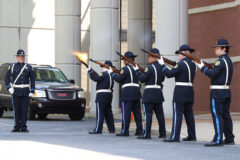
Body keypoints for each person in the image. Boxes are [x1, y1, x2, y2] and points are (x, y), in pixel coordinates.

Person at [196, 39, 235, 147]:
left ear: (224, 49)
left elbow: (213, 74)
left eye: (217, 48)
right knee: (226, 115)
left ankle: (218, 139)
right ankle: (229, 138)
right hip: (226, 91)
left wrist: (202, 67)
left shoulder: (220, 61)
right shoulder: (229, 61)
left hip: (217, 92)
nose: (215, 50)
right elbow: (218, 72)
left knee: (217, 115)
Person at [158, 44, 197, 142]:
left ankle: (175, 136)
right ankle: (192, 136)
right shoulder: (193, 64)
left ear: (183, 53)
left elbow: (169, 74)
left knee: (178, 114)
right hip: (190, 91)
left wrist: (162, 64)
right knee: (189, 114)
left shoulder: (181, 64)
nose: (178, 56)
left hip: (180, 91)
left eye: (179, 54)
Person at [108, 51, 143, 136]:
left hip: (127, 93)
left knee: (126, 113)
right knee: (137, 113)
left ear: (127, 60)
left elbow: (119, 79)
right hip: (136, 92)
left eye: (124, 60)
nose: (124, 61)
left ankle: (125, 131)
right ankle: (140, 130)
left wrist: (112, 73)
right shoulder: (137, 68)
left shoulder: (125, 69)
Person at [134, 48, 166, 139]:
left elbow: (142, 79)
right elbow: (162, 79)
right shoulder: (161, 68)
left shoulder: (149, 67)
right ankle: (162, 133)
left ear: (154, 57)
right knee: (160, 115)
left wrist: (137, 71)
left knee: (148, 115)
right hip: (158, 93)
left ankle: (147, 134)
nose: (148, 58)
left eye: (150, 56)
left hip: (149, 94)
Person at [5, 49, 35, 132]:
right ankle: (17, 127)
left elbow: (32, 80)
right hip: (16, 91)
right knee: (17, 110)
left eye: (23, 56)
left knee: (24, 110)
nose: (22, 58)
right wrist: (9, 87)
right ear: (17, 57)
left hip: (25, 92)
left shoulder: (29, 67)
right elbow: (7, 79)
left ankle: (24, 127)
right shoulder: (13, 67)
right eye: (20, 56)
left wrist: (32, 91)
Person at [87, 61, 115, 134]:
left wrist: (89, 71)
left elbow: (96, 78)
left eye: (103, 67)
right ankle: (111, 129)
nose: (102, 68)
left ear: (106, 67)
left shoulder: (104, 74)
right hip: (109, 95)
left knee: (100, 113)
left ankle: (98, 129)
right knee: (108, 113)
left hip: (101, 95)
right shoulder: (112, 75)